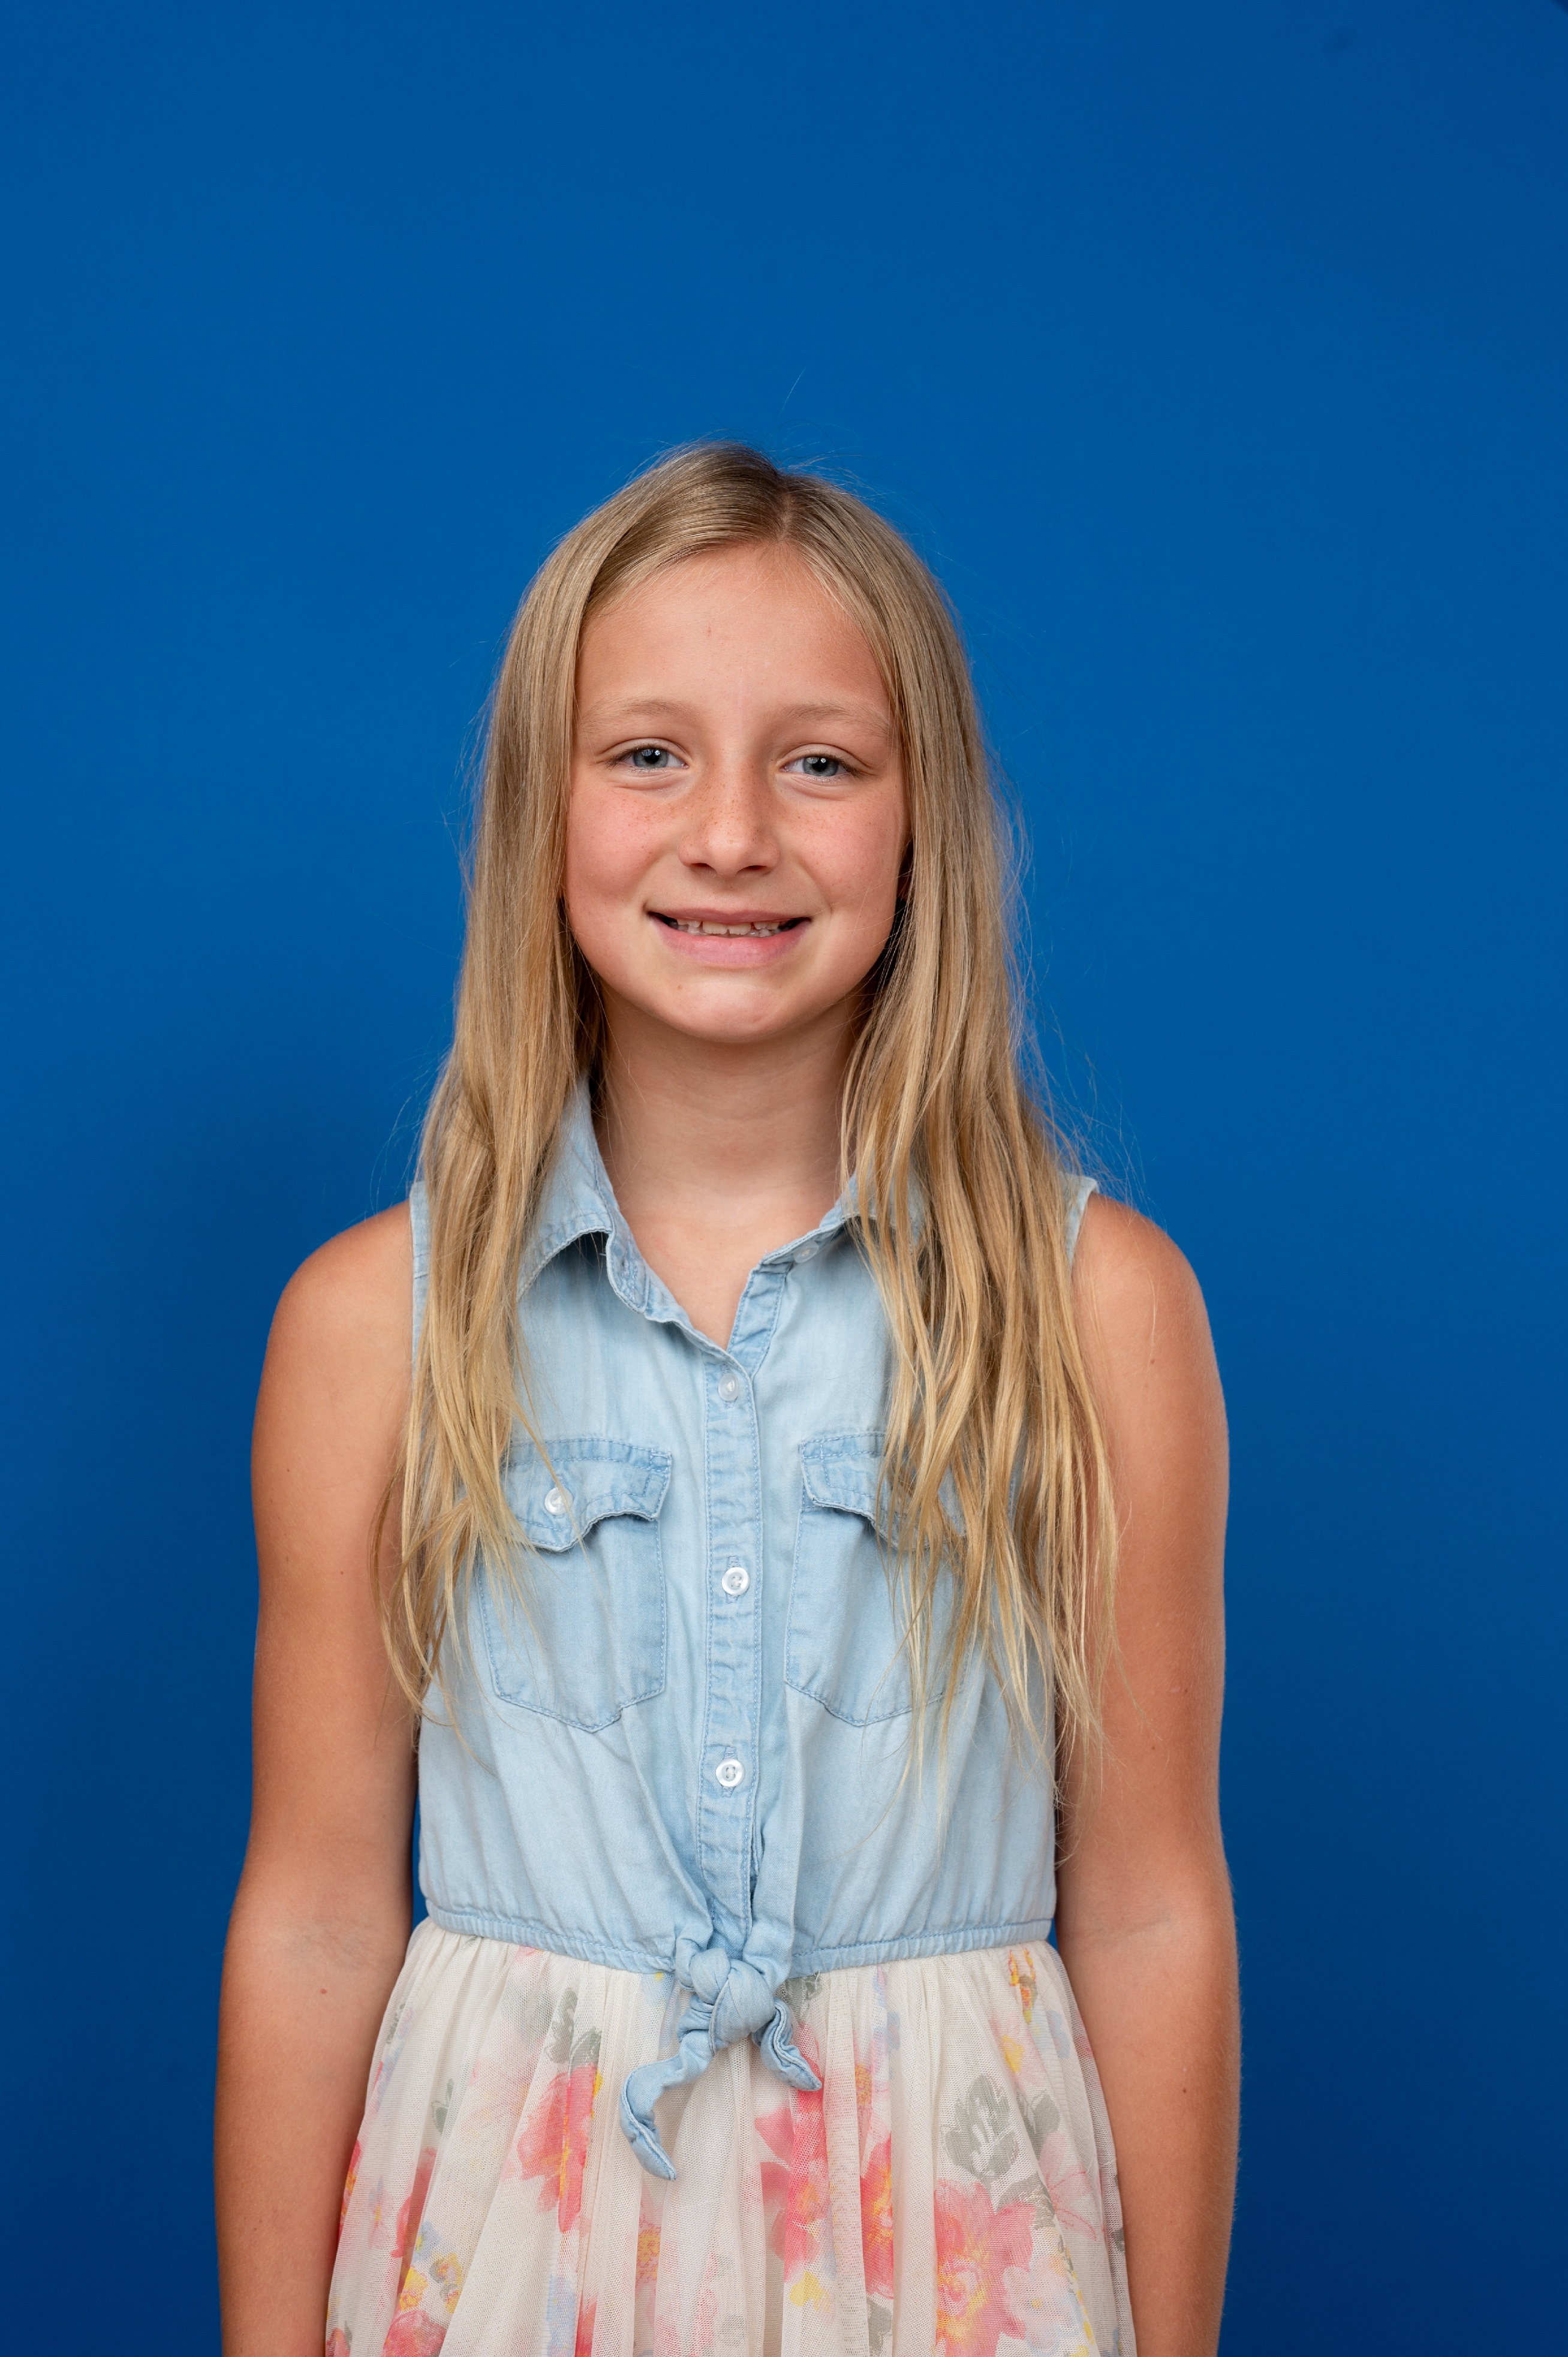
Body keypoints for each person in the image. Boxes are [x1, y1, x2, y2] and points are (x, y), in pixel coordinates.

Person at [216, 444, 1238, 2357]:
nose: (734, 834)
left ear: (927, 823)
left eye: (821, 762)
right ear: (542, 814)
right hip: (509, 2253)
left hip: (957, 2251)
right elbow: (318, 1911)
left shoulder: (1103, 1313)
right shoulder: (375, 1325)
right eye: (648, 754)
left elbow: (1154, 1903)